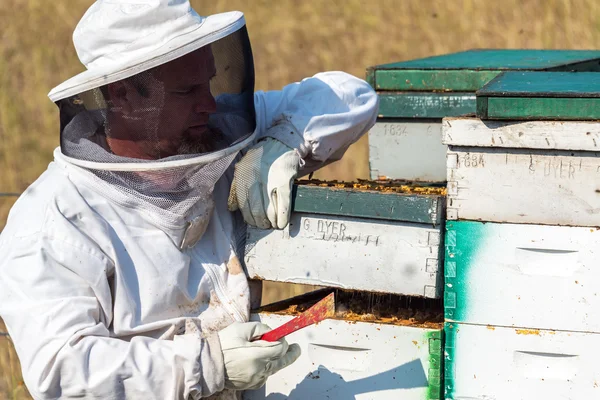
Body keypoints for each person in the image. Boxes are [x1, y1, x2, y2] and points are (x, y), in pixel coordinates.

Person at [0, 1, 378, 399]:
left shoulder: (217, 133)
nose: (210, 104)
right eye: (187, 90)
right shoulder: (54, 223)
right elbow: (62, 369)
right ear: (122, 94)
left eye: (209, 83)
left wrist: (283, 141)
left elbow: (350, 94)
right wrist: (207, 365)